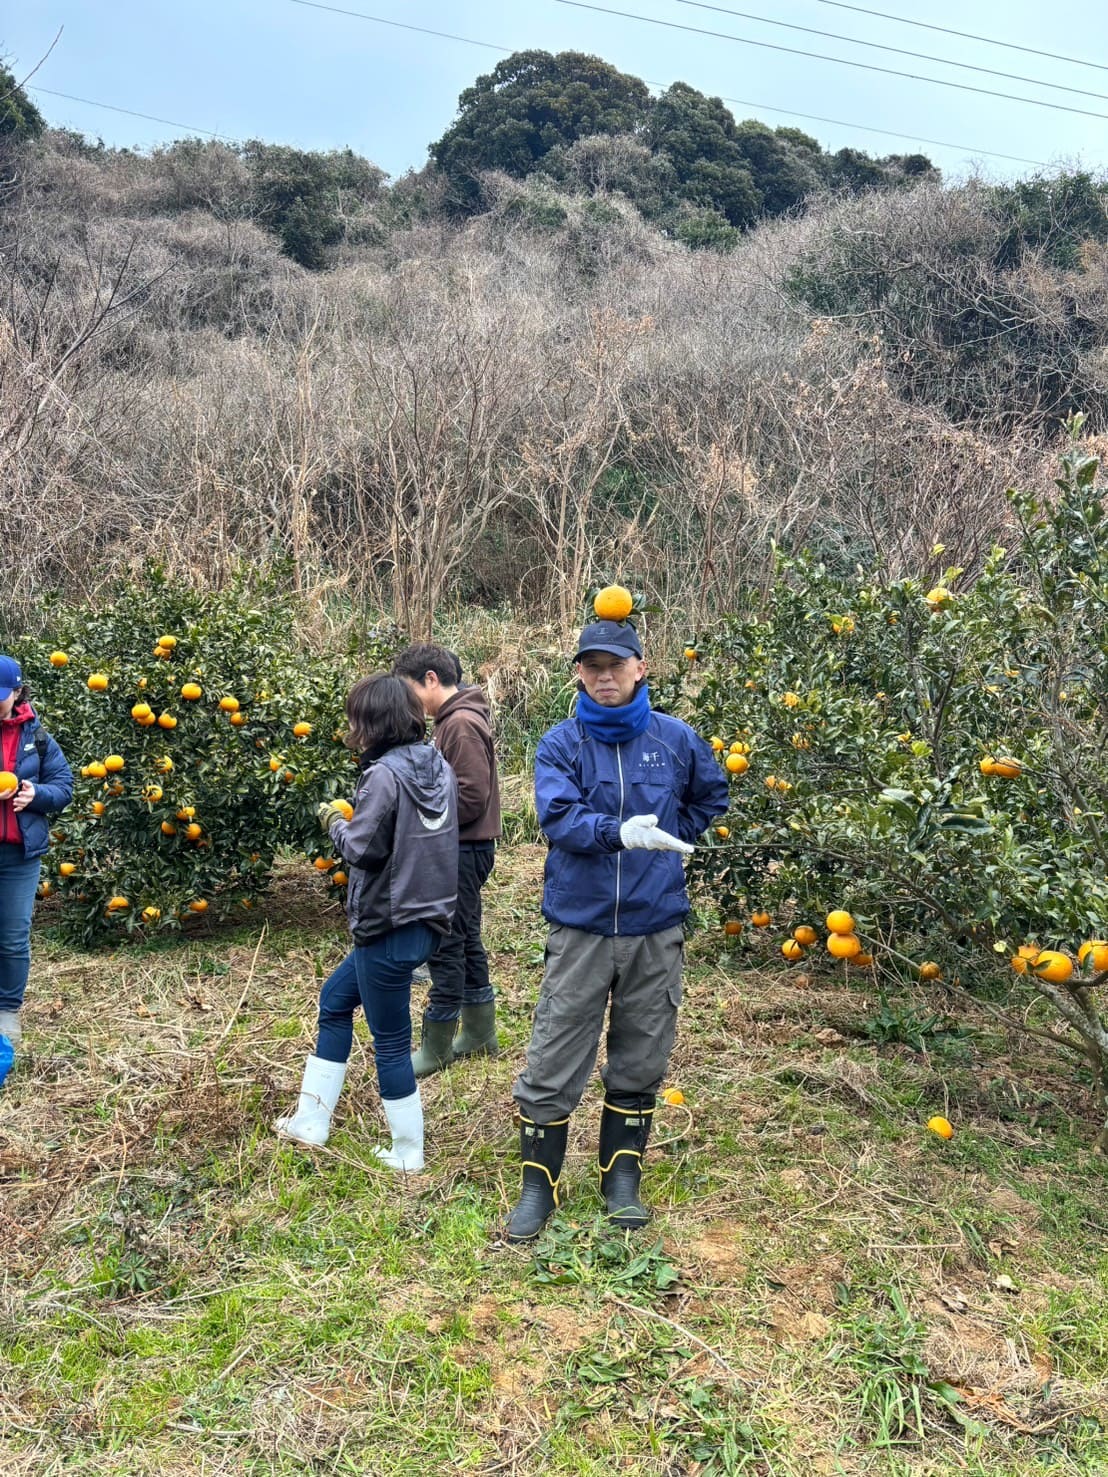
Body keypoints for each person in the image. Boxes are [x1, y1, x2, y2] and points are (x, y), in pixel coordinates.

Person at [506, 619, 729, 1242]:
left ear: (640, 668)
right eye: (592, 666)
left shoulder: (676, 740)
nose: (605, 676)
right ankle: (538, 1187)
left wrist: (672, 834)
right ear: (579, 672)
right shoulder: (561, 744)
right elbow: (559, 817)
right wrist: (618, 831)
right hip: (581, 926)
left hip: (655, 923)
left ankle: (620, 1177)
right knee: (555, 1051)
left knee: (642, 1049)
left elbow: (712, 795)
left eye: (616, 665)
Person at [274, 674, 458, 1171]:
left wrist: (336, 819)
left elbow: (363, 848)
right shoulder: (437, 764)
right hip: (425, 920)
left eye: (356, 718)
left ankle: (408, 1152)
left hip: (388, 924)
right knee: (335, 1002)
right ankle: (311, 1122)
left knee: (391, 1042)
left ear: (371, 722)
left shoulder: (383, 775)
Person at [393, 643, 502, 1076]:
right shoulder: (457, 720)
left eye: (410, 690)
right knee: (466, 936)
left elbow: (470, 796)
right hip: (468, 847)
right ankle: (479, 1032)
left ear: (431, 680)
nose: (409, 703)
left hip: (461, 849)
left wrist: (419, 815)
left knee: (447, 941)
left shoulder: (458, 724)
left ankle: (437, 1044)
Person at [0, 653, 74, 1049]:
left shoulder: (37, 737)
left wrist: (35, 793)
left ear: (16, 692)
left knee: (12, 935)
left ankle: (6, 1011)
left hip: (19, 855)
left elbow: (64, 787)